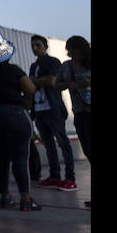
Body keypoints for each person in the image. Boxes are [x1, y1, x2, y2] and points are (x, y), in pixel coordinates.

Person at [0, 57, 42, 211]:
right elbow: (30, 89)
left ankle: (4, 197)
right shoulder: (13, 69)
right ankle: (25, 199)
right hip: (14, 112)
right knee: (20, 157)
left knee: (0, 157)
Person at [29, 35, 77, 191]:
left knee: (63, 143)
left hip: (53, 109)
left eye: (38, 45)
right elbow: (31, 86)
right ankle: (55, 176)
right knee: (49, 145)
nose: (35, 48)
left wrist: (34, 81)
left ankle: (70, 178)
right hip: (39, 110)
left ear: (45, 46)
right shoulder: (33, 65)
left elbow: (51, 81)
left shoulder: (53, 62)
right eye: (33, 45)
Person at [56, 35, 91, 206]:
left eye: (78, 53)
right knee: (88, 151)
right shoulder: (66, 67)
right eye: (72, 53)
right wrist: (68, 84)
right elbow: (56, 84)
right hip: (79, 113)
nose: (75, 56)